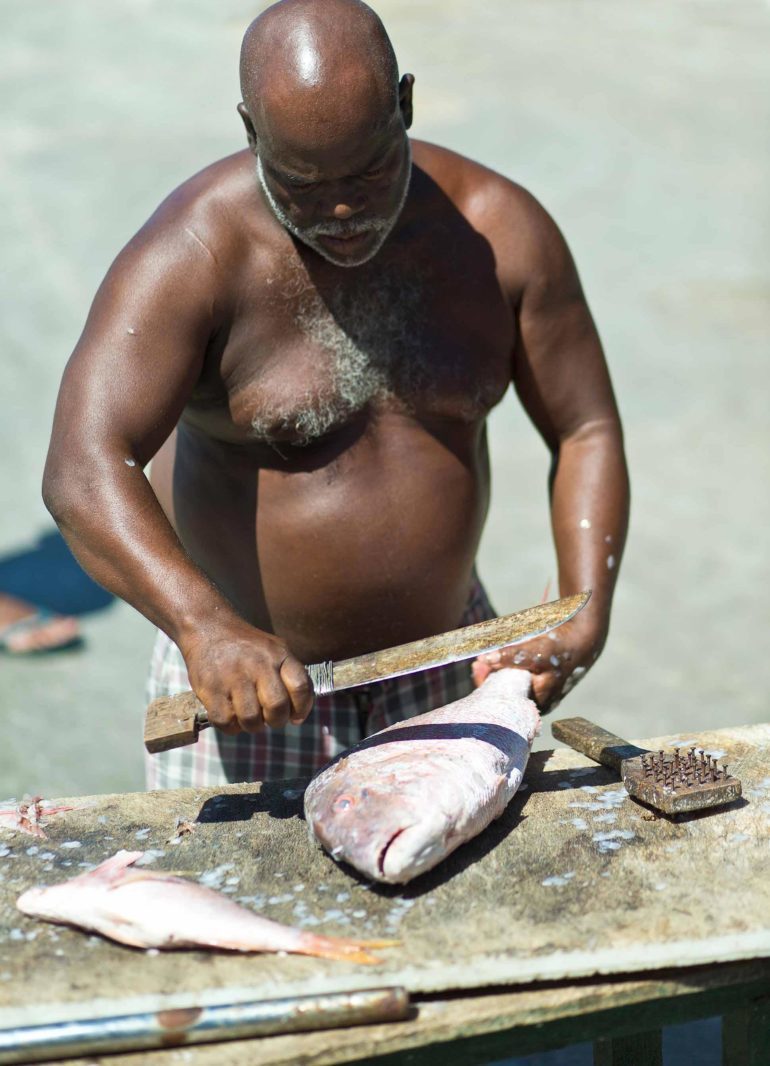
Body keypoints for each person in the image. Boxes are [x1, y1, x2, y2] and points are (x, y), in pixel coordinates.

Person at [42, 0, 629, 788]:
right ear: (252, 133)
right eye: (304, 184)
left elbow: (586, 428)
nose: (344, 210)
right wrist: (204, 626)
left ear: (406, 105)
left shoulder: (502, 235)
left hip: (451, 669)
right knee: (239, 907)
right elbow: (85, 465)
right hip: (248, 686)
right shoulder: (194, 253)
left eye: (368, 171)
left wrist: (583, 604)